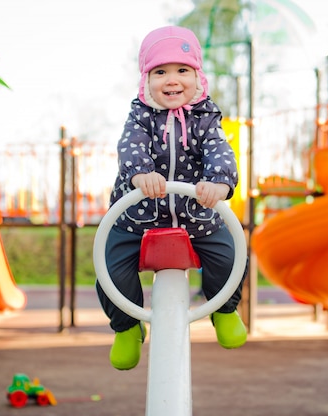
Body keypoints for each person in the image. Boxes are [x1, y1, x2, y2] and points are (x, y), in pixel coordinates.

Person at [96, 25, 247, 371]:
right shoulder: (140, 113)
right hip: (137, 216)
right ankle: (126, 326)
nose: (172, 80)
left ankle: (224, 309)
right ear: (146, 80)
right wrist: (141, 175)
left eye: (182, 70)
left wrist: (219, 184)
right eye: (160, 72)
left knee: (231, 257)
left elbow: (219, 151)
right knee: (110, 268)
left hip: (198, 215)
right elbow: (130, 148)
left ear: (197, 76)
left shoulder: (206, 115)